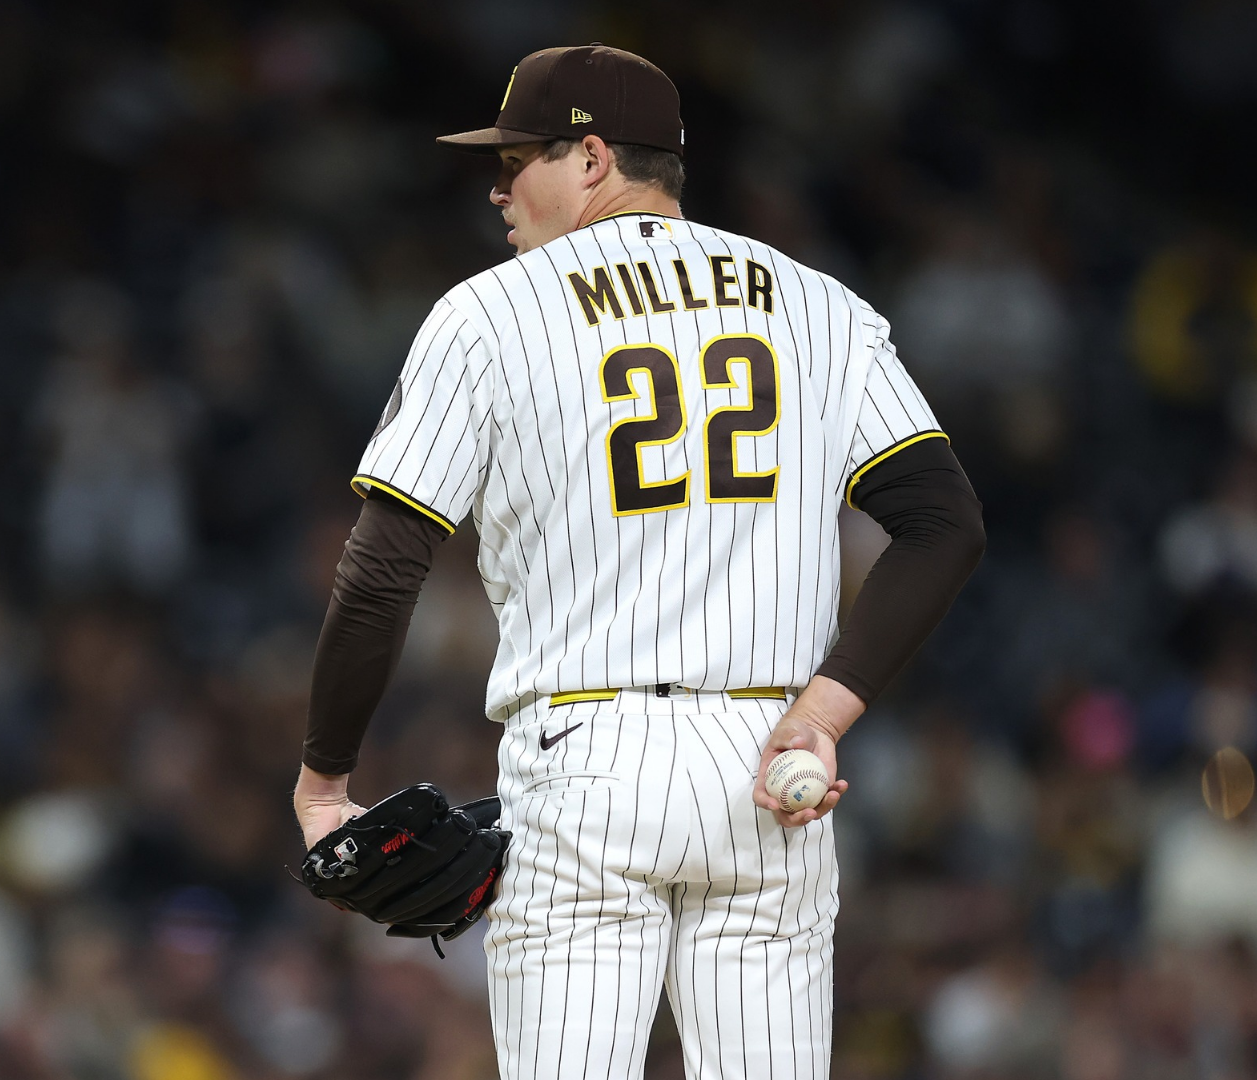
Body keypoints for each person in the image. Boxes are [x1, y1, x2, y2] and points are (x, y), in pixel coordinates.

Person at [292, 44, 984, 1079]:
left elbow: (383, 568)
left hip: (587, 764)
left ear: (592, 157)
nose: (495, 185)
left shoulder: (491, 313)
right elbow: (945, 523)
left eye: (517, 156)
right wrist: (825, 712)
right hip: (771, 763)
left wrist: (325, 776)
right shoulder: (816, 304)